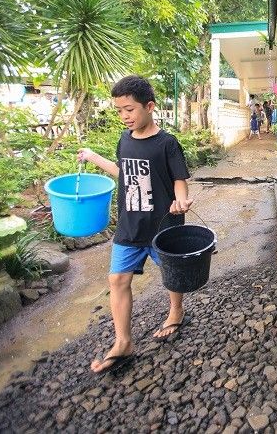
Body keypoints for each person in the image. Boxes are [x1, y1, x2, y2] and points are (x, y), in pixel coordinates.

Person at [77, 75, 192, 374]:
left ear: (149, 106)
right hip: (129, 226)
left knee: (172, 274)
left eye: (129, 109)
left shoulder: (167, 143)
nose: (124, 116)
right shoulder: (124, 140)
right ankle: (124, 341)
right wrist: (92, 157)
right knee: (117, 280)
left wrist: (181, 201)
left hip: (163, 225)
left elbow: (180, 181)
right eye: (119, 110)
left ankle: (176, 311)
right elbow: (122, 172)